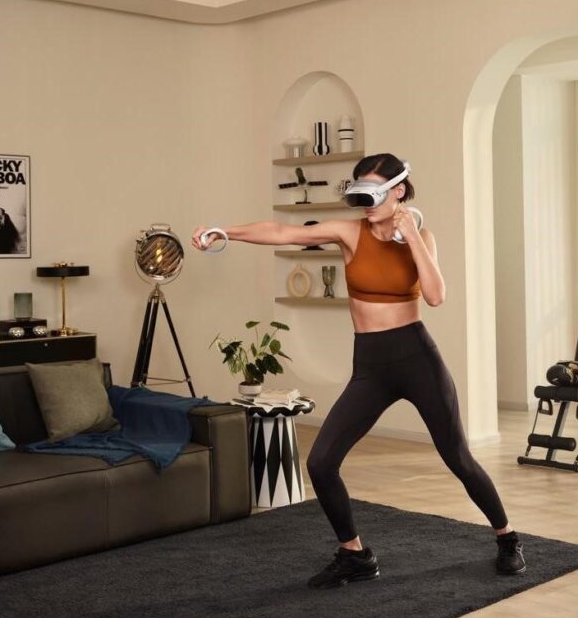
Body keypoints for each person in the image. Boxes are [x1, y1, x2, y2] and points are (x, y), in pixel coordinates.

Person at [191, 153, 525, 589]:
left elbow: (437, 295)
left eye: (374, 192)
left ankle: (507, 539)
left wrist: (412, 236)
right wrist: (226, 231)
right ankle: (355, 554)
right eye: (360, 192)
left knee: (457, 457)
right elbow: (283, 232)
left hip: (416, 358)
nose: (366, 202)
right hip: (370, 364)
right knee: (322, 461)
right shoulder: (350, 232)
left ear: (399, 190)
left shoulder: (421, 235)